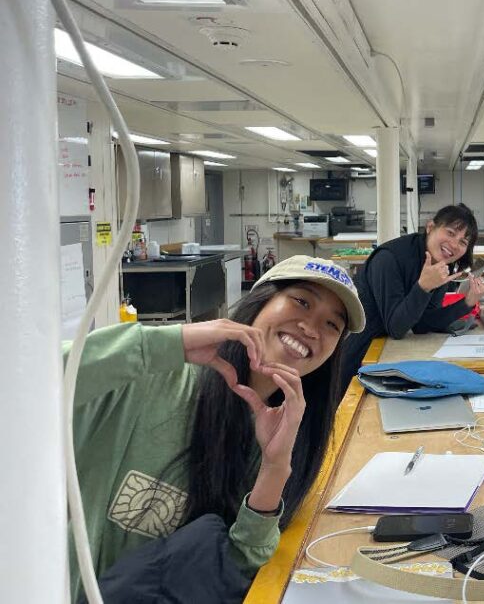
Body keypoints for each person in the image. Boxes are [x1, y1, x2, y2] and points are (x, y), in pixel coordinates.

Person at [66, 255, 365, 601]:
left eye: (332, 325)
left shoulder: (286, 431)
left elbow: (237, 564)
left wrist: (274, 468)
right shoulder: (153, 378)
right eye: (301, 301)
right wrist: (166, 342)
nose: (311, 328)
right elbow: (27, 381)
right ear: (261, 300)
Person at [340, 204, 484, 383]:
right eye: (451, 233)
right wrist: (423, 287)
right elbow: (396, 327)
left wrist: (468, 302)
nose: (454, 244)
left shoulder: (440, 264)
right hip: (359, 360)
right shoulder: (389, 258)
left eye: (463, 242)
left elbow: (423, 323)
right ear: (430, 227)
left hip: (390, 358)